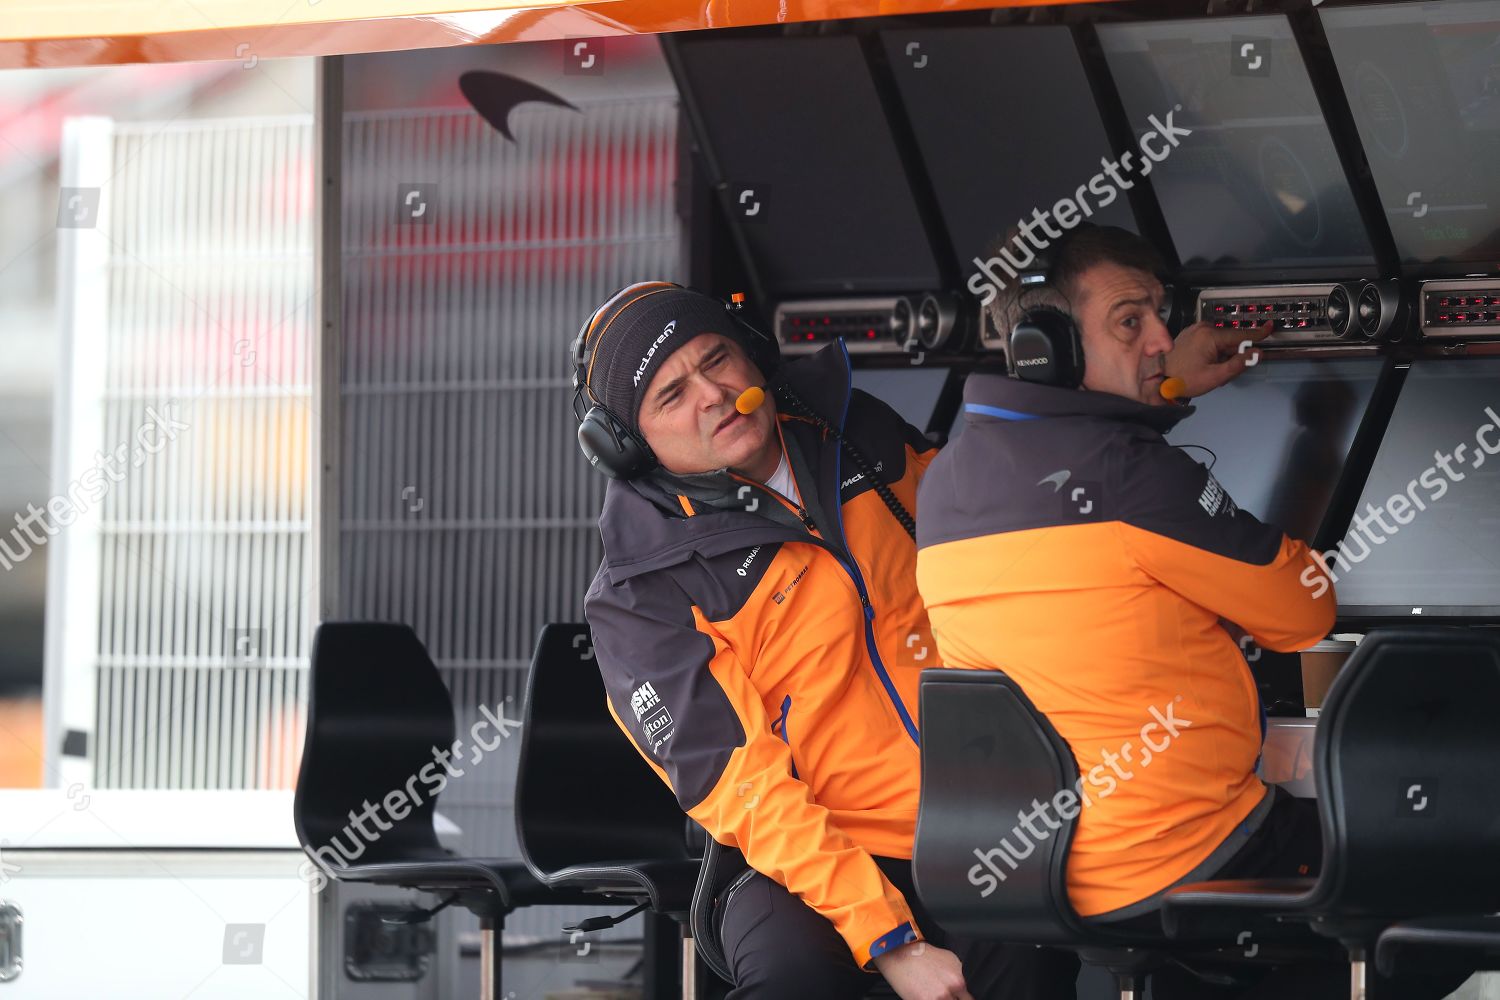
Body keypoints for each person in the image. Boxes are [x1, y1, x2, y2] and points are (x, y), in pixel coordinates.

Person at [577, 277, 1259, 1000]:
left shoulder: (857, 435)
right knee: (794, 980)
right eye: (671, 395)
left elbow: (1016, 494)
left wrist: (1154, 389)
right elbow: (743, 793)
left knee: (1036, 958)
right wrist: (891, 939)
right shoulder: (638, 596)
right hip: (799, 855)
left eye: (716, 360)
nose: (712, 395)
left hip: (979, 816)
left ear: (751, 356)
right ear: (628, 446)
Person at [913, 223, 1468, 999]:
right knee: (1443, 868)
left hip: (1027, 865)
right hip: (1176, 857)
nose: (1161, 341)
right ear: (1052, 347)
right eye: (1131, 321)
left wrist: (1160, 394)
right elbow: (1305, 610)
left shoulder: (945, 479)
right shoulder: (1134, 477)